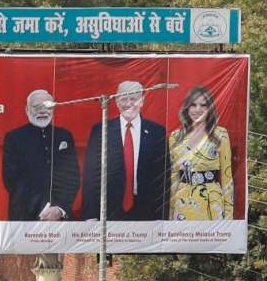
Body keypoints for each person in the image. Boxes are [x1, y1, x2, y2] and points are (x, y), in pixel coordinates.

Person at [80, 79, 173, 223]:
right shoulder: (101, 130)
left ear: (142, 101)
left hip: (147, 212)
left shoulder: (157, 132)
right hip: (108, 211)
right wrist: (90, 214)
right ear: (117, 102)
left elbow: (163, 177)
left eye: (133, 99)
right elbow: (90, 175)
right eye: (124, 99)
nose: (128, 103)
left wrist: (161, 216)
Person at [0, 89, 81, 222]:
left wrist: (59, 209)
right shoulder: (14, 138)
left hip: (60, 218)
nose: (42, 111)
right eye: (37, 107)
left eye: (47, 106)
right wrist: (43, 209)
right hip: (25, 217)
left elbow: (72, 177)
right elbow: (11, 181)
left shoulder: (64, 136)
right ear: (27, 110)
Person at [168, 85, 235, 222]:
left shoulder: (220, 135)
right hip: (183, 204)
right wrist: (171, 214)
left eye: (203, 105)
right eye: (193, 105)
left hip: (212, 206)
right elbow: (174, 179)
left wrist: (229, 217)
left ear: (209, 109)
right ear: (187, 108)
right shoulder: (175, 137)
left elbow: (227, 178)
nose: (198, 109)